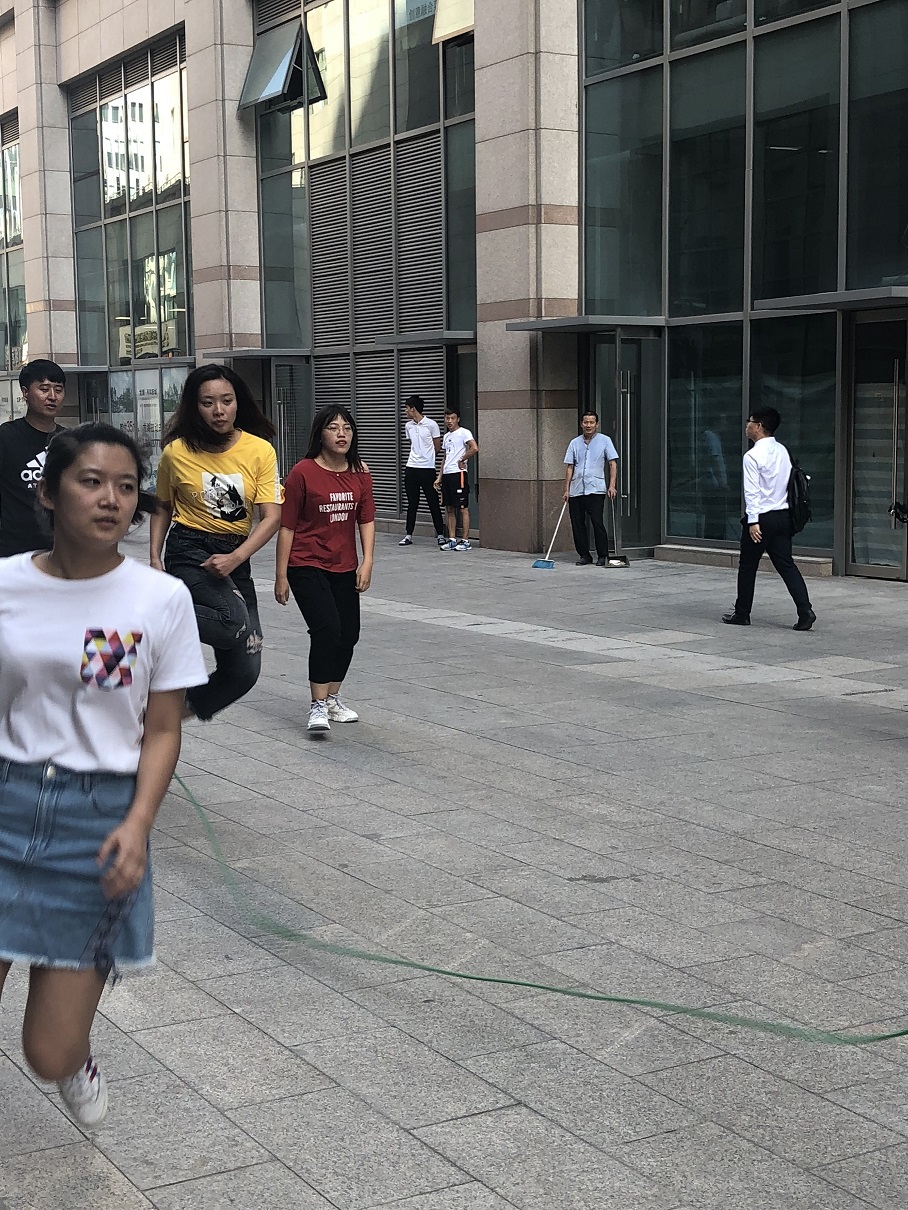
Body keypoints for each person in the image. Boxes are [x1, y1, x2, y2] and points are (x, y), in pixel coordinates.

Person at [0, 423, 206, 1128]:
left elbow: (163, 727)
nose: (111, 499)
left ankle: (75, 1055)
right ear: (49, 494)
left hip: (96, 826)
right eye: (91, 482)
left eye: (125, 486)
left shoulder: (159, 599)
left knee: (48, 1053)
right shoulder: (6, 585)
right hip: (6, 800)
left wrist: (139, 824)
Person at [150, 365, 283, 720]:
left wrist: (236, 558)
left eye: (227, 401)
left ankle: (170, 714)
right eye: (208, 403)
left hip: (235, 554)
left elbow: (272, 517)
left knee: (244, 671)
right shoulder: (176, 452)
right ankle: (148, 615)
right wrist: (154, 558)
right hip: (190, 549)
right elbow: (162, 506)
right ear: (194, 406)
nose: (219, 410)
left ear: (239, 402)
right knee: (230, 622)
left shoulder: (260, 450)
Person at [275, 405, 375, 734]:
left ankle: (332, 699)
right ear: (320, 434)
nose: (341, 434)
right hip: (306, 562)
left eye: (347, 428)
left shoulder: (360, 472)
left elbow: (366, 519)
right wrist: (281, 575)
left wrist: (367, 561)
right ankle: (317, 705)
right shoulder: (302, 472)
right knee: (327, 628)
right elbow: (287, 526)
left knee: (349, 634)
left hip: (344, 565)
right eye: (333, 428)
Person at [722, 407, 816, 631]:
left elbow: (752, 492)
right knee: (787, 565)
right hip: (783, 516)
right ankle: (805, 611)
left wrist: (753, 521)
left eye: (750, 422)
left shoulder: (752, 456)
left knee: (748, 566)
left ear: (759, 426)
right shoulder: (782, 450)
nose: (747, 426)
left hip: (762, 518)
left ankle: (742, 613)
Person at [0, 360, 67, 557]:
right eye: (44, 389)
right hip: (13, 551)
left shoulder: (69, 441)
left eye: (58, 390)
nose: (52, 396)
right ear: (25, 392)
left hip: (60, 551)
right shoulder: (6, 437)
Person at [563, 411, 619, 566]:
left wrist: (612, 485)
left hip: (596, 489)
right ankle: (584, 555)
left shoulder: (605, 440)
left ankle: (603, 555)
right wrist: (567, 489)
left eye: (591, 422)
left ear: (597, 424)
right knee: (577, 524)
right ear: (581, 424)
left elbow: (612, 463)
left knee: (597, 522)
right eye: (586, 422)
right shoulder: (574, 443)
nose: (588, 425)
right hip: (576, 489)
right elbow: (570, 467)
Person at [399, 395, 446, 548]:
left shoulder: (431, 425)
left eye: (407, 408)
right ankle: (408, 534)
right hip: (411, 467)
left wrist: (429, 457)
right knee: (412, 502)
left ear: (413, 409)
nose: (405, 411)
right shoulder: (408, 426)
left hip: (427, 468)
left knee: (433, 502)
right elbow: (412, 443)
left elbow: (437, 446)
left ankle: (440, 534)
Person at [435, 406, 479, 551]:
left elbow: (474, 448)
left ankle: (465, 541)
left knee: (462, 508)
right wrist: (439, 477)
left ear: (458, 419)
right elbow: (445, 457)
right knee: (449, 508)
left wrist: (462, 459)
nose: (449, 421)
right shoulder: (447, 436)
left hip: (458, 474)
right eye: (447, 418)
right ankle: (452, 539)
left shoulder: (464, 432)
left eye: (452, 418)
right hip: (447, 475)